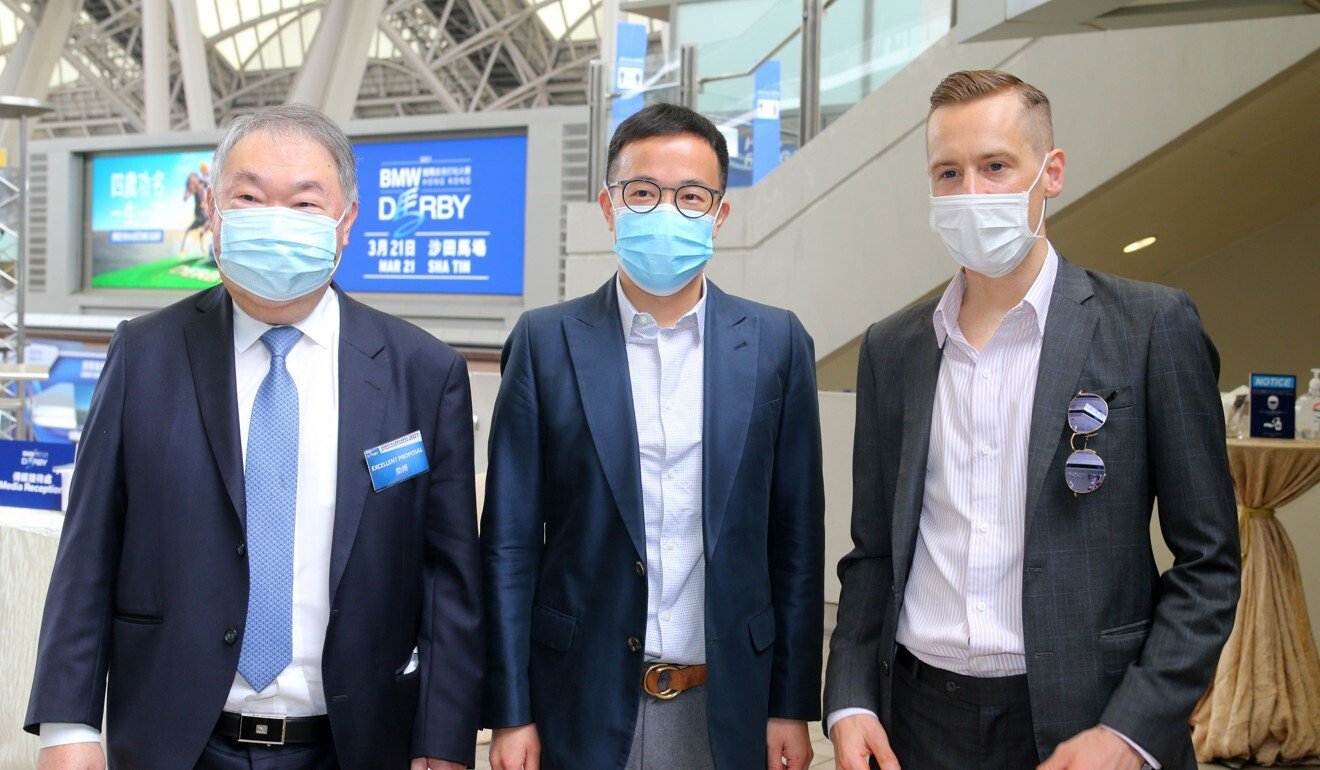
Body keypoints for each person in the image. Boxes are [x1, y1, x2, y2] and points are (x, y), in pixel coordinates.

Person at [25, 104, 482, 770]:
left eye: (303, 203)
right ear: (213, 210)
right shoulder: (144, 355)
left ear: (346, 222)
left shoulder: (423, 371)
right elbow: (89, 549)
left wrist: (444, 744)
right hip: (173, 742)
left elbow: (449, 582)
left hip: (354, 744)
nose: (275, 220)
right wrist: (69, 728)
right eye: (249, 197)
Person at [824, 70, 1239, 770]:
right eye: (948, 173)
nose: (972, 194)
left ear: (1051, 173)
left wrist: (1132, 731)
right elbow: (874, 557)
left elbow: (1209, 565)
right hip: (918, 722)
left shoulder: (1148, 327)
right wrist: (851, 700)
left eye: (995, 167)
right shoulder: (892, 349)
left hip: (1090, 723)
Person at [481, 103, 825, 770]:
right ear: (611, 208)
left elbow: (797, 540)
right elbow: (510, 544)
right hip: (578, 696)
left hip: (728, 700)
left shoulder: (777, 344)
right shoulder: (545, 343)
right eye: (643, 193)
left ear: (718, 215)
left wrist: (791, 702)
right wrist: (510, 709)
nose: (666, 211)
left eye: (691, 195)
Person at [181, 171, 211, 257]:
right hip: (199, 217)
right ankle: (183, 250)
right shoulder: (192, 186)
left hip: (207, 217)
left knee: (202, 231)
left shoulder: (202, 184)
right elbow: (188, 193)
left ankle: (206, 250)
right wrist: (186, 195)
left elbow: (207, 184)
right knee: (188, 231)